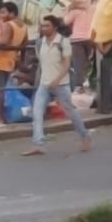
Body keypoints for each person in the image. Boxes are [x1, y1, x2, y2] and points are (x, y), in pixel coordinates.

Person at [23, 16, 91, 156]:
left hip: (61, 84)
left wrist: (57, 78)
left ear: (54, 27)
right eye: (42, 26)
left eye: (47, 26)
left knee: (70, 112)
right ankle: (38, 143)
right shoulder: (39, 42)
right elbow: (41, 64)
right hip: (44, 84)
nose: (44, 28)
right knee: (37, 113)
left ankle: (85, 136)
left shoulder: (63, 41)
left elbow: (66, 63)